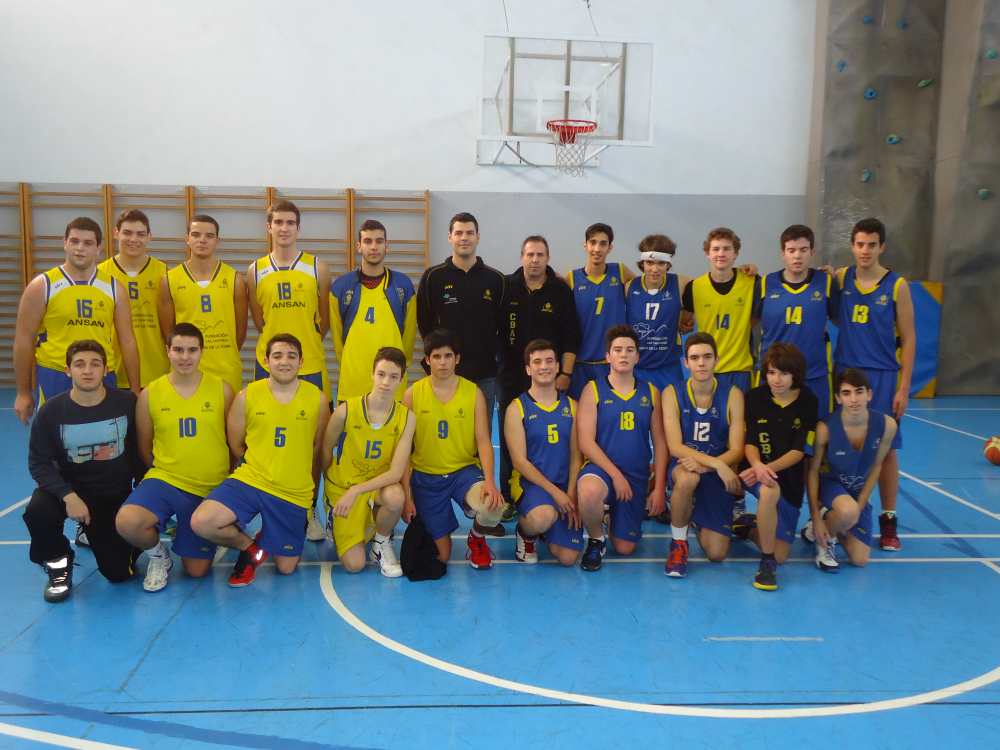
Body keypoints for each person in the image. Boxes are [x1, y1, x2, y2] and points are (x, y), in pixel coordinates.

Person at [190, 334, 329, 587]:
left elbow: (317, 449)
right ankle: (250, 548)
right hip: (252, 481)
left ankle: (269, 534)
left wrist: (309, 496)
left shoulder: (317, 399)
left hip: (292, 491)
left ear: (301, 362)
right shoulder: (247, 395)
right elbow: (236, 443)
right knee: (202, 521)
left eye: (291, 356)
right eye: (277, 356)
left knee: (286, 568)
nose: (284, 362)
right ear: (266, 361)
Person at [115, 323, 234, 592]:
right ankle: (160, 557)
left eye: (192, 350)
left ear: (202, 352)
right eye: (178, 349)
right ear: (167, 351)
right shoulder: (150, 395)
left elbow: (234, 443)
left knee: (197, 571)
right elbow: (145, 447)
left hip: (208, 487)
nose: (185, 356)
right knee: (128, 521)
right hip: (166, 480)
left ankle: (196, 528)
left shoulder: (222, 390)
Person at [23, 340, 142, 602]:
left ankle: (105, 539)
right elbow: (39, 463)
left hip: (112, 495)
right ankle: (58, 565)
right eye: (79, 364)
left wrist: (145, 497)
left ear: (106, 369)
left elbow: (139, 452)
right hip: (70, 494)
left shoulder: (126, 403)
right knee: (38, 510)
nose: (87, 370)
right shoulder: (51, 412)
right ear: (68, 370)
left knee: (118, 574)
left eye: (94, 364)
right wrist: (68, 496)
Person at [831, 217, 914, 551]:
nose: (865, 250)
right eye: (860, 244)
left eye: (872, 244)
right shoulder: (839, 278)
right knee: (842, 447)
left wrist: (904, 387)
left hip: (881, 376)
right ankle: (837, 510)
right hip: (846, 374)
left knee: (887, 449)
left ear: (882, 247)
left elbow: (909, 338)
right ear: (852, 246)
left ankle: (889, 519)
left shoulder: (897, 285)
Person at [14, 217, 140, 424]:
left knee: (103, 444)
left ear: (99, 248)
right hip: (55, 374)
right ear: (65, 243)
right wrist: (23, 392)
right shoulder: (42, 285)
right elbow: (23, 340)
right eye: (74, 241)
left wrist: (135, 389)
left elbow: (127, 341)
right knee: (56, 445)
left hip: (102, 375)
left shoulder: (114, 288)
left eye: (88, 243)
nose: (80, 248)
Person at [402, 329, 505, 569]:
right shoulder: (412, 395)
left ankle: (477, 539)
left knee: (493, 507)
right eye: (436, 357)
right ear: (427, 360)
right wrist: (407, 497)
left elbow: (483, 441)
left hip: (463, 472)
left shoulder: (473, 393)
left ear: (457, 359)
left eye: (448, 356)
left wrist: (490, 480)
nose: (443, 362)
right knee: (442, 556)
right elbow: (404, 451)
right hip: (426, 478)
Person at [576, 325, 667, 571]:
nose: (624, 355)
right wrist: (615, 475)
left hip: (636, 475)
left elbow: (660, 442)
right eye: (617, 350)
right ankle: (596, 539)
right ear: (608, 356)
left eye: (629, 350)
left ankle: (610, 514)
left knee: (626, 548)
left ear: (638, 356)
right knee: (589, 491)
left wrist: (658, 488)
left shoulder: (651, 392)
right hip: (603, 471)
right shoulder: (593, 389)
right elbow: (585, 442)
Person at [497, 235, 580, 498]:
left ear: (548, 258)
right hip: (511, 376)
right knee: (510, 438)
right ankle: (510, 495)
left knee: (552, 436)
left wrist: (565, 373)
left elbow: (571, 336)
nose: (534, 260)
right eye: (530, 255)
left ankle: (559, 487)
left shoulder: (560, 290)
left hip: (549, 377)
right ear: (522, 257)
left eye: (540, 255)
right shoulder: (506, 287)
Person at [322, 347, 416, 577]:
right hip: (344, 486)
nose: (386, 382)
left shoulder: (406, 417)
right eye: (381, 374)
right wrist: (331, 491)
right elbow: (325, 450)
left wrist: (357, 490)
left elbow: (395, 473)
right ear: (372, 374)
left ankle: (380, 543)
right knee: (354, 566)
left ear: (402, 379)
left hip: (376, 485)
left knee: (396, 496)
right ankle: (341, 521)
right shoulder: (346, 411)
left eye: (394, 376)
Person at [661, 332, 746, 577]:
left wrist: (711, 467)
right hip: (685, 467)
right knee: (688, 479)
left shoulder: (732, 395)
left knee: (716, 554)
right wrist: (717, 465)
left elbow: (737, 448)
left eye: (707, 357)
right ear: (685, 362)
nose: (701, 363)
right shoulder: (672, 392)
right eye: (695, 357)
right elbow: (675, 446)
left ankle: (695, 516)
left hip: (715, 473)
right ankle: (679, 543)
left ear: (716, 360)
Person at [736, 343, 818, 591]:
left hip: (788, 478)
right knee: (769, 492)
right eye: (771, 373)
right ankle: (766, 563)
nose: (777, 380)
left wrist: (766, 467)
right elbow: (749, 442)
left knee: (784, 554)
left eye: (783, 373)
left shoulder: (808, 401)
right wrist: (757, 465)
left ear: (795, 374)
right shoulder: (755, 397)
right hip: (753, 471)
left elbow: (800, 450)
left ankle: (748, 528)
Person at [416, 212, 505, 421]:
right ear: (450, 237)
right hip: (445, 373)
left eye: (469, 233)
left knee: (479, 432)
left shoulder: (496, 279)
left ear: (478, 237)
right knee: (445, 433)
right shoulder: (433, 277)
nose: (464, 238)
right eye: (458, 233)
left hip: (485, 374)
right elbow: (424, 323)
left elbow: (502, 325)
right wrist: (439, 360)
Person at [806, 368, 897, 571]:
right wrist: (813, 514)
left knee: (859, 559)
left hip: (857, 491)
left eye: (859, 391)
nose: (854, 399)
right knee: (848, 511)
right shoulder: (825, 428)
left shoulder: (887, 425)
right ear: (838, 398)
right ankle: (824, 541)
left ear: (869, 394)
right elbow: (812, 472)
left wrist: (862, 503)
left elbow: (877, 465)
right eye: (846, 393)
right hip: (831, 485)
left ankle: (831, 523)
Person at [504, 339, 583, 565]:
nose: (544, 366)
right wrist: (556, 494)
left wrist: (570, 494)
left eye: (549, 361)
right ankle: (526, 532)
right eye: (537, 362)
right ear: (528, 369)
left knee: (568, 558)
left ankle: (549, 529)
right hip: (531, 485)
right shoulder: (516, 408)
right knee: (543, 517)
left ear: (558, 366)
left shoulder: (573, 407)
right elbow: (519, 462)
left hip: (563, 486)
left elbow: (576, 455)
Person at [248, 200, 331, 392]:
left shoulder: (318, 268)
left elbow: (325, 321)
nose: (284, 228)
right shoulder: (255, 270)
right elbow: (259, 321)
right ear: (269, 227)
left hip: (308, 360)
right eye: (278, 222)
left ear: (298, 228)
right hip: (268, 362)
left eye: (290, 223)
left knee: (313, 420)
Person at [329, 219, 416, 403]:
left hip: (392, 384)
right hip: (353, 383)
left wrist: (400, 367)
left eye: (379, 241)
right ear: (359, 246)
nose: (374, 247)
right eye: (368, 241)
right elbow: (337, 340)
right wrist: (348, 364)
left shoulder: (403, 286)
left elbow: (409, 337)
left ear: (387, 246)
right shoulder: (341, 287)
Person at [159, 214, 247, 395]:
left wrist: (223, 352)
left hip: (226, 369)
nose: (202, 240)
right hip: (186, 369)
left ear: (217, 241)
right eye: (196, 234)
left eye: (209, 236)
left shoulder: (234, 279)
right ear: (187, 239)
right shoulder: (169, 280)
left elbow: (240, 332)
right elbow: (168, 331)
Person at [758, 225, 837, 421]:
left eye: (803, 250)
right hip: (774, 377)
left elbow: (839, 319)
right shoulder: (765, 284)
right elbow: (750, 323)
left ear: (812, 252)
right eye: (791, 250)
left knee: (818, 434)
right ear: (782, 253)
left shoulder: (826, 282)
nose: (797, 256)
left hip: (814, 374)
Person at [681, 227, 761, 394]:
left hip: (740, 369)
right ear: (707, 253)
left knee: (740, 419)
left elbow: (758, 316)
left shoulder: (752, 282)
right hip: (707, 370)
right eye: (715, 249)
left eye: (727, 249)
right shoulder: (694, 287)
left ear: (736, 253)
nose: (721, 253)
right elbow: (684, 322)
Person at [99, 209, 169, 389]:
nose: (134, 239)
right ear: (116, 233)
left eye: (140, 234)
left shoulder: (163, 272)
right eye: (127, 233)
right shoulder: (101, 274)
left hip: (155, 368)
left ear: (149, 237)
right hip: (112, 368)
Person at [566, 223, 632, 399]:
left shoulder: (620, 272)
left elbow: (646, 295)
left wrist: (684, 314)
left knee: (609, 419)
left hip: (611, 362)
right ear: (585, 245)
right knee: (580, 419)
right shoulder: (571, 279)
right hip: (580, 364)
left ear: (610, 247)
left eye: (603, 244)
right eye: (593, 242)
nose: (597, 248)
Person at [625, 234, 685, 394]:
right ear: (642, 263)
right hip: (637, 368)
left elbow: (713, 281)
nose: (655, 269)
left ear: (668, 264)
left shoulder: (680, 284)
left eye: (661, 263)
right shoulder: (629, 287)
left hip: (668, 368)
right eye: (650, 262)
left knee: (671, 416)